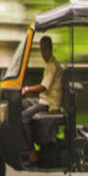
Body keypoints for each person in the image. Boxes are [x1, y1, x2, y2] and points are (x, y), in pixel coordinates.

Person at [21, 35, 63, 164]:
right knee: (22, 104)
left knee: (24, 117)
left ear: (50, 49)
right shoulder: (49, 64)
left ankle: (31, 151)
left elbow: (43, 87)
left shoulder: (52, 66)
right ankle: (27, 141)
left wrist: (27, 89)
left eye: (45, 49)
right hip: (43, 100)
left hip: (49, 104)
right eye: (41, 49)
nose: (43, 53)